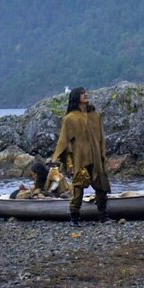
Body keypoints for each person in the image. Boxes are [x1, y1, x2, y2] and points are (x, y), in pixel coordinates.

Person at [52, 87, 111, 226]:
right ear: (75, 97)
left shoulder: (95, 116)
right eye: (82, 93)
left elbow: (101, 137)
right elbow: (65, 143)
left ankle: (103, 216)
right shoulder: (70, 119)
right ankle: (74, 218)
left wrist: (102, 155)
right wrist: (70, 163)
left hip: (95, 157)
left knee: (101, 186)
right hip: (79, 158)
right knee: (78, 189)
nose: (85, 94)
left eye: (86, 92)